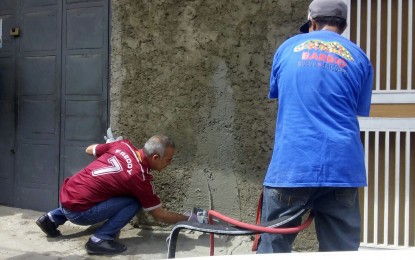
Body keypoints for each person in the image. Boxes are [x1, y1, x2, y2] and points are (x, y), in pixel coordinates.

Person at [257, 0, 373, 253]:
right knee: (340, 252)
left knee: (273, 249)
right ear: (343, 26)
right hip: (342, 167)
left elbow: (280, 93)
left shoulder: (287, 48)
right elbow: (357, 109)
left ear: (312, 22)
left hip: (293, 165)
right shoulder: (360, 57)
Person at [36, 130, 204, 255]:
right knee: (134, 201)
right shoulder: (140, 178)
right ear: (155, 158)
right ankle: (99, 240)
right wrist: (189, 219)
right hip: (79, 213)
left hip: (65, 196)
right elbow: (159, 215)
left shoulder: (121, 145)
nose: (170, 163)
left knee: (95, 189)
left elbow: (89, 149)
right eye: (168, 160)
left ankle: (50, 219)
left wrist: (110, 146)